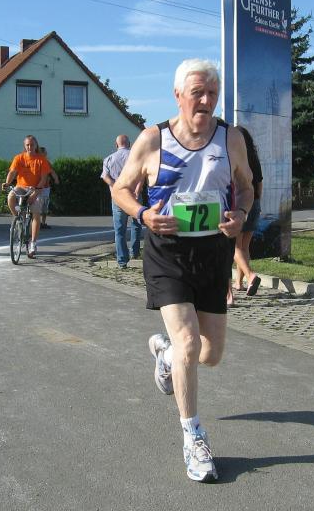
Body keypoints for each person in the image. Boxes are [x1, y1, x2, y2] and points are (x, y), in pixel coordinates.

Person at [112, 58, 253, 482]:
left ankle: (166, 354)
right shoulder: (153, 139)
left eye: (212, 93)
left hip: (213, 254)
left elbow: (246, 186)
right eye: (198, 93)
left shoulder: (231, 139)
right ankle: (194, 439)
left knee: (210, 355)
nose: (206, 101)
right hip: (168, 254)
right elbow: (121, 189)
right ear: (178, 96)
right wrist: (142, 214)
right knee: (190, 342)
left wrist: (241, 215)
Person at [228, 126, 264, 305]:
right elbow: (259, 183)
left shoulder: (236, 157)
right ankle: (239, 283)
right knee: (245, 247)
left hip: (239, 205)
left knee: (235, 248)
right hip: (255, 203)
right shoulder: (254, 159)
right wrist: (257, 203)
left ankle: (250, 276)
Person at [1, 135, 52, 259]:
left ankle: (33, 242)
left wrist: (35, 193)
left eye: (32, 145)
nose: (30, 147)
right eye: (27, 145)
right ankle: (18, 219)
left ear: (36, 145)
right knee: (11, 196)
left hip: (35, 188)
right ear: (25, 146)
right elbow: (12, 172)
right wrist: (7, 183)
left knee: (35, 212)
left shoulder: (41, 160)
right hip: (21, 186)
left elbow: (43, 179)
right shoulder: (19, 158)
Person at [101, 134, 143, 268]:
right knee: (136, 225)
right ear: (129, 144)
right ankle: (134, 252)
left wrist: (116, 186)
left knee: (119, 229)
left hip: (118, 197)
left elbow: (105, 176)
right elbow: (142, 174)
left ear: (116, 145)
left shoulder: (109, 159)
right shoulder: (135, 156)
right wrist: (138, 190)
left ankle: (122, 260)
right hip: (134, 195)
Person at [38, 146, 60, 230]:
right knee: (38, 206)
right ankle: (37, 222)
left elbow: (52, 171)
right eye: (44, 152)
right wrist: (56, 179)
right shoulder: (36, 161)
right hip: (38, 187)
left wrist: (56, 179)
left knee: (44, 206)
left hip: (45, 188)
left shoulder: (46, 162)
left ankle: (42, 223)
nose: (46, 153)